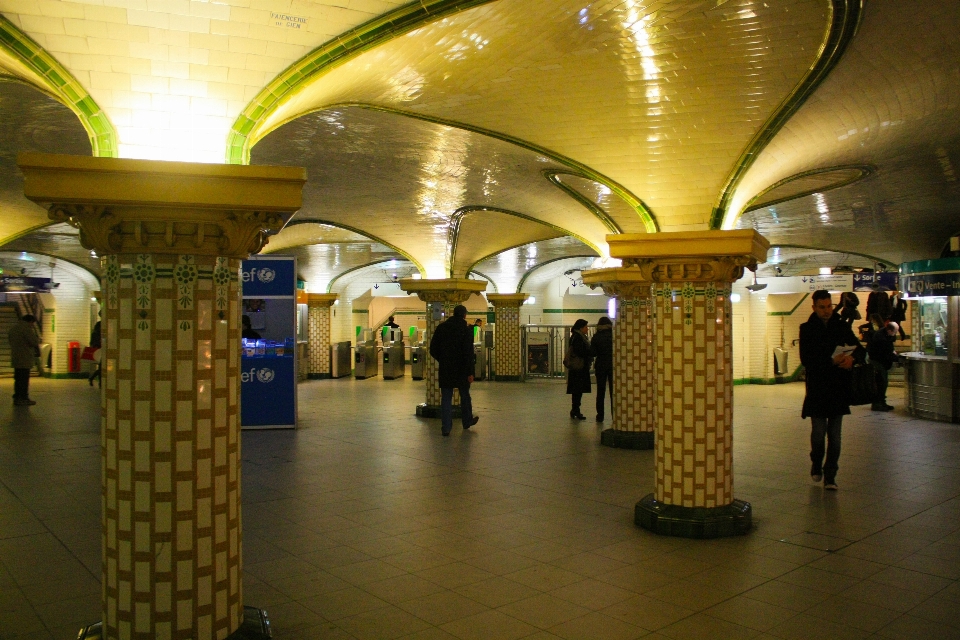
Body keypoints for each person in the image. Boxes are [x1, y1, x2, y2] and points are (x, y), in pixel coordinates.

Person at [800, 290, 860, 490]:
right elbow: (806, 360)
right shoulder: (807, 329)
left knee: (835, 436)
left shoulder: (841, 326)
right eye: (822, 307)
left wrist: (851, 359)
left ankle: (831, 475)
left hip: (837, 388)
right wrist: (829, 361)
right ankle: (816, 462)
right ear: (814, 307)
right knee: (818, 433)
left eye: (829, 306)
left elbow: (858, 348)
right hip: (817, 388)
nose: (827, 311)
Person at [429, 304, 479, 436]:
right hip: (462, 369)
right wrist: (470, 373)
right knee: (465, 395)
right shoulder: (466, 329)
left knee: (446, 398)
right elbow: (469, 353)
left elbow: (433, 349)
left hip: (446, 369)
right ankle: (467, 421)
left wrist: (443, 360)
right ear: (464, 315)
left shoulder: (442, 328)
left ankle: (446, 427)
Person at [867, 316, 897, 412]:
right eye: (895, 332)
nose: (895, 334)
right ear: (890, 330)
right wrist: (896, 357)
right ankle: (877, 403)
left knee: (882, 382)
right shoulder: (881, 337)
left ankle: (881, 402)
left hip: (880, 361)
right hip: (877, 361)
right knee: (881, 382)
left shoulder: (885, 335)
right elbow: (885, 353)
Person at [9, 314, 39, 406]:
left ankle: (17, 397)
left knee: (18, 379)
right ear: (30, 321)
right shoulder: (26, 329)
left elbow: (10, 341)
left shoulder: (13, 328)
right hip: (24, 358)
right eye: (32, 323)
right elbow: (34, 342)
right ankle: (23, 398)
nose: (32, 325)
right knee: (24, 380)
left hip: (16, 357)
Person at [566, 319, 593, 420]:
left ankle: (575, 409)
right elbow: (579, 351)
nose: (587, 329)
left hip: (577, 367)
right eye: (586, 327)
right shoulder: (578, 337)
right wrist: (589, 352)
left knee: (577, 390)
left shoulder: (576, 336)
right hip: (579, 367)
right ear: (580, 328)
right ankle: (575, 410)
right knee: (577, 390)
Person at [591, 316, 613, 422]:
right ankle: (615, 414)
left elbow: (593, 353)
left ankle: (600, 415)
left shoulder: (596, 336)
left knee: (600, 391)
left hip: (600, 365)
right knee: (613, 391)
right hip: (612, 365)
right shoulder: (614, 336)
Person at [88, 314, 102, 387]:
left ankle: (92, 378)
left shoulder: (95, 331)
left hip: (98, 349)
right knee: (101, 366)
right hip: (99, 350)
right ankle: (99, 382)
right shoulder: (100, 326)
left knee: (101, 366)